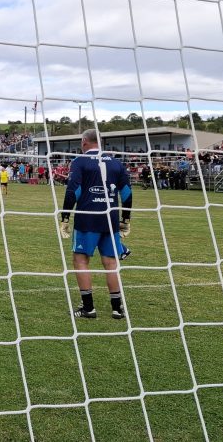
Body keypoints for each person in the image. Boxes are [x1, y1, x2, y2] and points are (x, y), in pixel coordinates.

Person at [58, 129, 132, 320]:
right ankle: (117, 309)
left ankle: (88, 308)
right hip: (111, 220)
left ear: (84, 141)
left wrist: (65, 218)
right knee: (111, 263)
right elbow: (126, 193)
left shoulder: (80, 161)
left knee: (81, 261)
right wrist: (125, 220)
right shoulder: (116, 163)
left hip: (87, 219)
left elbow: (73, 191)